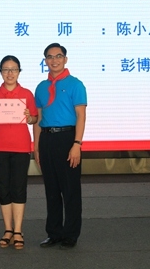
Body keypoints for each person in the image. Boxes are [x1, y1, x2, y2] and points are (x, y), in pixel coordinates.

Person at [33, 43, 87, 249]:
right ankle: (54, 233)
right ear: (45, 61)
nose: (54, 60)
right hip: (46, 139)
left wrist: (77, 144)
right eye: (49, 57)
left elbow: (81, 116)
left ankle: (71, 234)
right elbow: (38, 119)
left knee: (70, 190)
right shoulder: (41, 87)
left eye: (58, 56)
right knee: (51, 190)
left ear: (65, 59)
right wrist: (36, 146)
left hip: (67, 139)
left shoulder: (76, 85)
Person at [0, 55, 37, 250]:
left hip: (21, 147)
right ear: (1, 72)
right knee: (3, 188)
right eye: (6, 69)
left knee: (19, 188)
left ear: (19, 72)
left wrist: (29, 117)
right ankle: (8, 229)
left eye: (13, 69)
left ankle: (18, 230)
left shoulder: (27, 94)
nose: (10, 73)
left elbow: (34, 119)